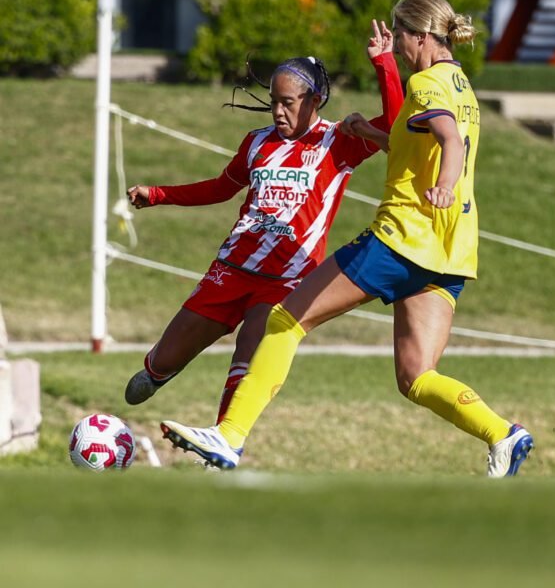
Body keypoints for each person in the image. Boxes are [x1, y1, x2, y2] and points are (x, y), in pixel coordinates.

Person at [160, 0, 535, 478]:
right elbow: (420, 141)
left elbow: (446, 140)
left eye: (400, 36)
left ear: (420, 35)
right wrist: (377, 134)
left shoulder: (424, 84)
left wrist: (444, 184)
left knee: (284, 320)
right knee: (416, 376)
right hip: (450, 252)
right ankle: (502, 433)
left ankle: (229, 438)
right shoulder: (461, 84)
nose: (398, 46)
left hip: (402, 238)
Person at [124, 28, 404, 429]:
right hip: (232, 268)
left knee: (249, 355)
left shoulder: (339, 141)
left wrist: (384, 62)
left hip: (286, 280)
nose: (277, 111)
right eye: (274, 101)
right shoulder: (256, 142)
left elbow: (395, 123)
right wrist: (158, 193)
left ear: (315, 101)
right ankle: (157, 372)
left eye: (287, 103)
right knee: (161, 362)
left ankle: (223, 442)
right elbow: (221, 188)